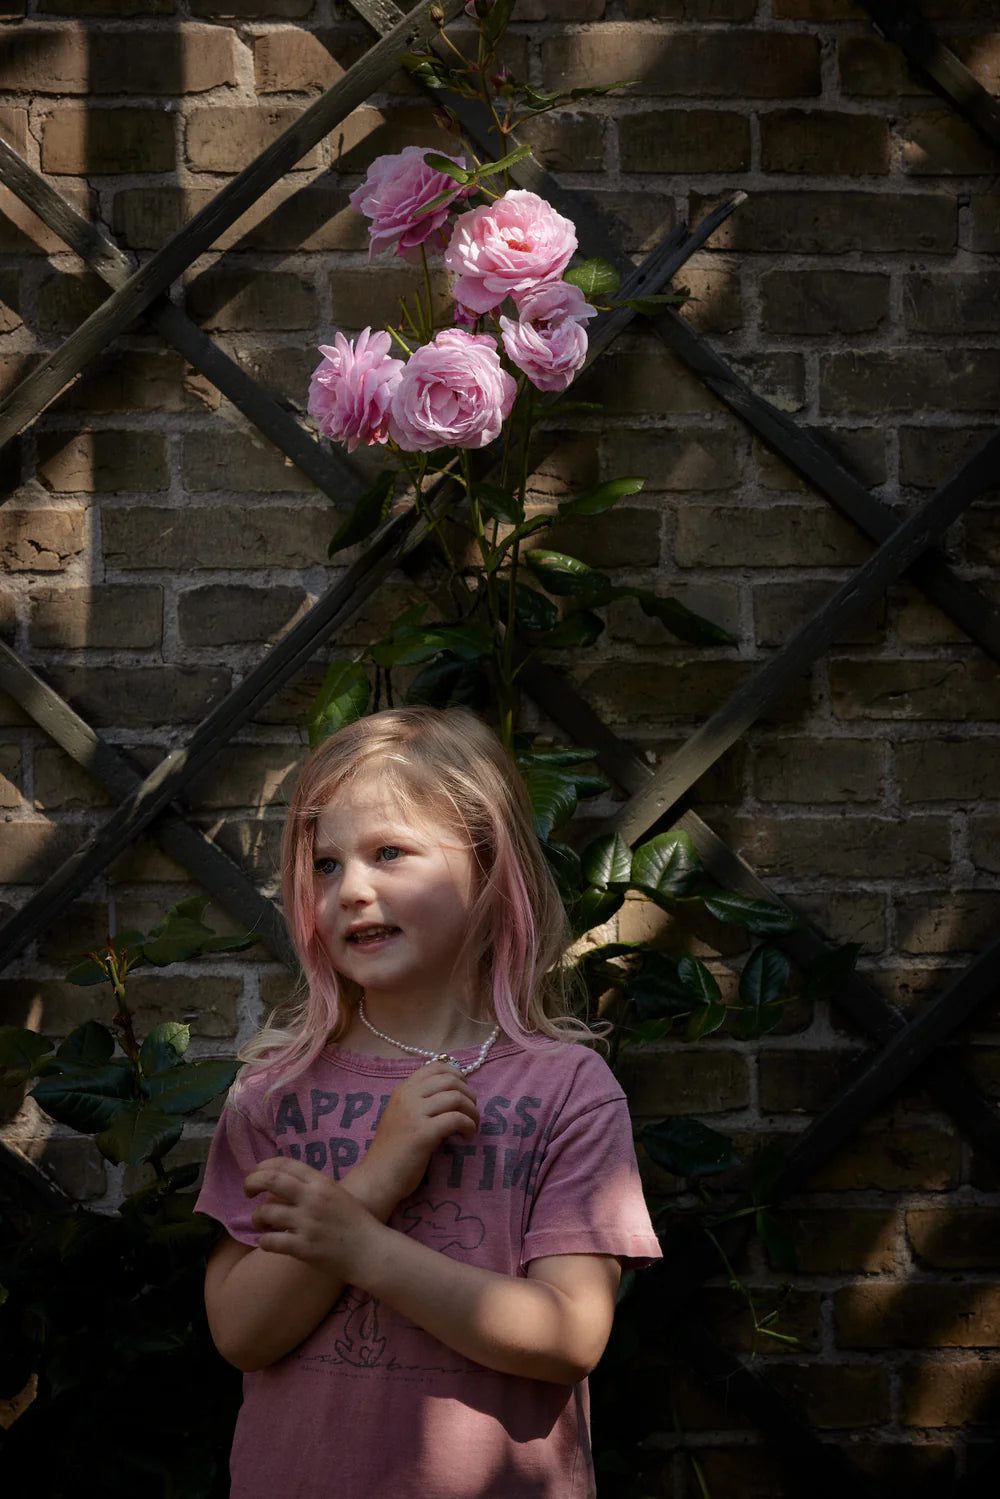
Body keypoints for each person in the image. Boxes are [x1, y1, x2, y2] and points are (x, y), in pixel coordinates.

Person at [196, 706, 661, 1499]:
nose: (353, 889)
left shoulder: (566, 1089)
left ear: (487, 863)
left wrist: (361, 1248)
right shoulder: (278, 1088)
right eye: (327, 864)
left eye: (389, 853)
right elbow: (241, 1332)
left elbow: (571, 1333)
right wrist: (374, 1183)